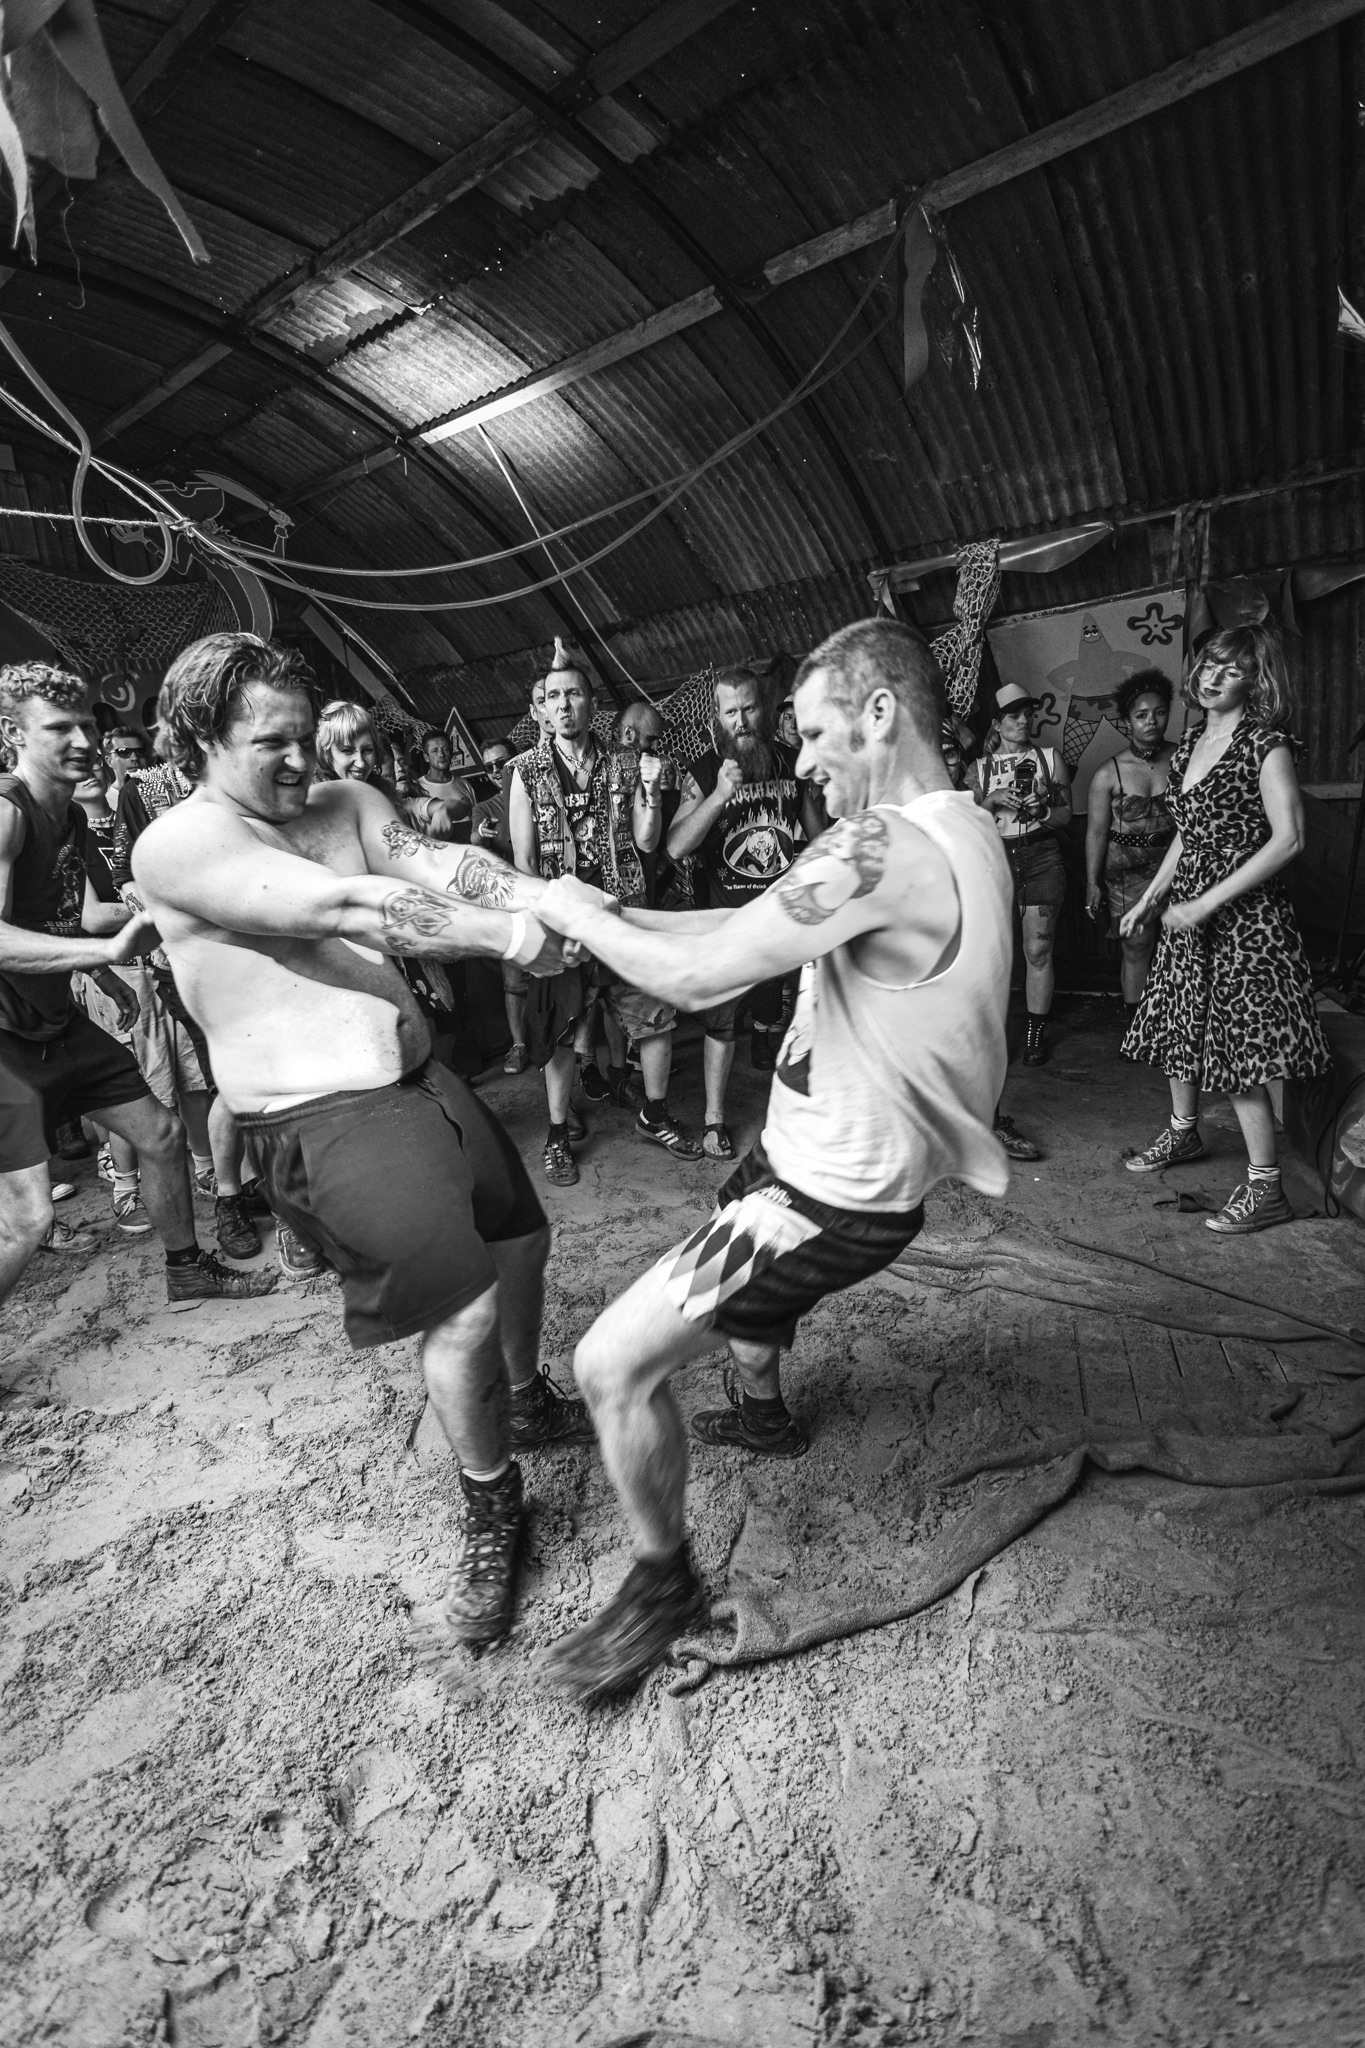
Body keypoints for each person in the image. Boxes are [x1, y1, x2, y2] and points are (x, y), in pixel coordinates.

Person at [529, 618, 1014, 1698]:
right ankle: (761, 1412)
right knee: (734, 1260)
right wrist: (613, 911)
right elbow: (751, 922)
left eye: (813, 734)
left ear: (879, 712)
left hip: (821, 1199)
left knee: (610, 1365)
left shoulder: (876, 846)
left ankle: (661, 1583)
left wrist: (568, 909)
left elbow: (697, 979)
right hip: (804, 1160)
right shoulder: (959, 826)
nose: (797, 764)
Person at [132, 631, 597, 1646]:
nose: (302, 760)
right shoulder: (178, 844)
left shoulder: (343, 801)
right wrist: (511, 936)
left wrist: (547, 896)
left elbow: (443, 862)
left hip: (420, 1077)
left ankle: (524, 1398)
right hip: (323, 1113)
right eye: (272, 743)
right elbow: (348, 905)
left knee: (519, 1240)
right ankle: (491, 1499)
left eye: (306, 735)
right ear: (202, 739)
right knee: (463, 1313)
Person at [0, 660, 275, 1305]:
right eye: (58, 728)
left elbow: (85, 915)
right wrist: (107, 950)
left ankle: (186, 1268)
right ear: (12, 733)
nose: (83, 740)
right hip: (5, 1040)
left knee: (161, 1133)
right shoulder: (8, 813)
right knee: (27, 1220)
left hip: (56, 1026)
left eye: (87, 725)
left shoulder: (67, 816)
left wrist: (161, 915)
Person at [1119, 623, 1329, 1235]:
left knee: (1238, 1051)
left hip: (1246, 921)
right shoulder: (1189, 743)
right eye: (1210, 663)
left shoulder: (1266, 744)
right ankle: (1184, 1132)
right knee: (1180, 1023)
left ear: (1255, 682)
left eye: (1232, 670)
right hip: (1188, 910)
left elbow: (1290, 839)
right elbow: (1189, 833)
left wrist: (1207, 902)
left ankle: (1267, 1188)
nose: (1214, 677)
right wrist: (1151, 897)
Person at [509, 642, 700, 1186]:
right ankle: (556, 1133)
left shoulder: (625, 763)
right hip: (565, 922)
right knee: (561, 1031)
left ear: (593, 706)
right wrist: (544, 923)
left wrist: (651, 791)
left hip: (623, 913)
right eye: (554, 697)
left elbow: (648, 840)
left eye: (573, 694)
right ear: (543, 708)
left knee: (654, 1014)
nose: (563, 705)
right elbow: (523, 863)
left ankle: (654, 1114)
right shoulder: (525, 771)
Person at [112, 743, 273, 1263]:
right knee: (229, 1079)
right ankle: (230, 1200)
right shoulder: (144, 789)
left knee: (274, 1071)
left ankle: (274, 1188)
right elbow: (124, 878)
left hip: (260, 954)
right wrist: (166, 921)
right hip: (189, 967)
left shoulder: (246, 775)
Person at [666, 667, 824, 1158]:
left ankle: (815, 1117)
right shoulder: (702, 772)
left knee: (810, 1013)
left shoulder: (790, 764)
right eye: (730, 712)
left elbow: (818, 836)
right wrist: (718, 795)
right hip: (728, 924)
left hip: (784, 921)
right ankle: (714, 1120)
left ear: (766, 709)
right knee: (721, 1025)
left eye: (749, 708)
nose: (741, 721)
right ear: (717, 718)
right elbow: (675, 846)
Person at [969, 681, 1072, 1068]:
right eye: (1014, 716)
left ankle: (1034, 1035)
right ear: (997, 724)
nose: (1024, 721)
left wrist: (1041, 810)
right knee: (993, 953)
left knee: (1038, 950)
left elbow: (1065, 815)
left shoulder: (1048, 758)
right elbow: (963, 822)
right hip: (994, 860)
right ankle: (990, 1036)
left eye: (1028, 714)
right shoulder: (979, 769)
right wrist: (990, 800)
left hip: (1041, 855)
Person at [1085, 671, 1177, 1020]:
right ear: (1127, 722)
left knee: (1184, 942)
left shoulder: (1183, 759)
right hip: (1127, 869)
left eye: (1159, 712)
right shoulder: (1109, 773)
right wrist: (1092, 883)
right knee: (1137, 946)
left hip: (1177, 862)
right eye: (1141, 715)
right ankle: (1136, 1025)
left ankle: (1179, 1021)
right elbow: (1096, 832)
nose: (1151, 721)